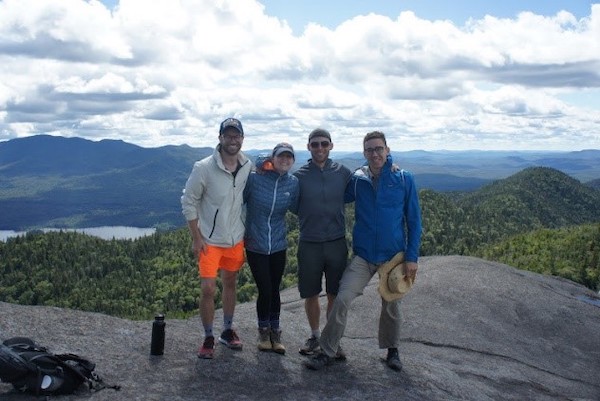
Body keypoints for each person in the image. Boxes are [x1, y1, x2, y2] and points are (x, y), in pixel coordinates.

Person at [304, 130, 422, 372]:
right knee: (342, 298)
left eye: (379, 149)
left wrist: (412, 257)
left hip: (393, 256)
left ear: (387, 150)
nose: (375, 153)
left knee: (391, 304)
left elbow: (414, 220)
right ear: (364, 153)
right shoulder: (358, 180)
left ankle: (392, 351)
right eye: (370, 150)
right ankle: (327, 350)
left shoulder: (403, 179)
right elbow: (335, 194)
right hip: (364, 255)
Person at [181, 117, 252, 359]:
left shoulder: (247, 165)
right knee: (208, 289)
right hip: (209, 241)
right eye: (228, 135)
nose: (233, 140)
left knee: (230, 283)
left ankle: (227, 330)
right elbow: (188, 201)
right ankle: (209, 336)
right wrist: (196, 237)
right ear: (220, 138)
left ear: (242, 138)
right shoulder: (204, 167)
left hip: (235, 239)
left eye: (237, 135)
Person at [291, 128, 352, 356]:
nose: (319, 148)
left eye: (324, 144)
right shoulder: (300, 176)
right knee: (311, 293)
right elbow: (293, 204)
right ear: (308, 147)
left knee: (334, 293)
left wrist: (390, 163)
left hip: (336, 242)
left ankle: (331, 339)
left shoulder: (343, 173)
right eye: (315, 144)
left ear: (331, 146)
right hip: (310, 242)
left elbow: (365, 181)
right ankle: (316, 336)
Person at [244, 143, 299, 355]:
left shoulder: (293, 183)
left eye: (289, 157)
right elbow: (238, 202)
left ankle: (275, 331)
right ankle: (263, 331)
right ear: (273, 158)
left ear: (293, 161)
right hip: (256, 243)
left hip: (278, 244)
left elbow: (298, 208)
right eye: (281, 157)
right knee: (265, 288)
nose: (285, 160)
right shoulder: (255, 179)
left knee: (275, 288)